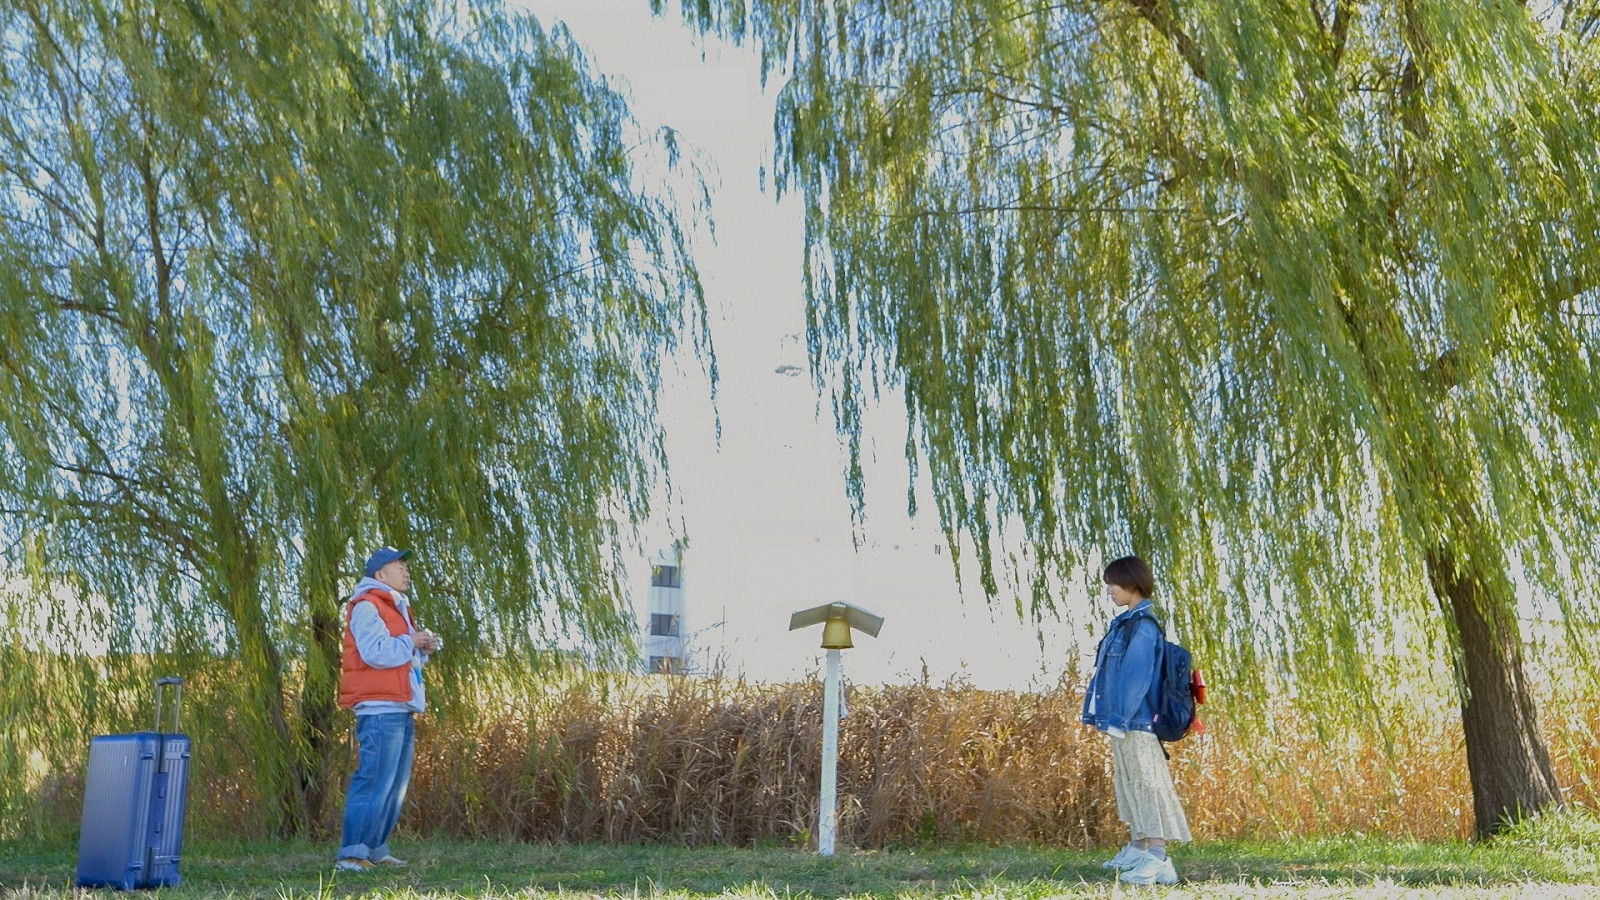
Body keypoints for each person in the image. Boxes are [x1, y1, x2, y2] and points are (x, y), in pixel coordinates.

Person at [1081, 554, 1191, 886]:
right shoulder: (1125, 623)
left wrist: (1118, 717)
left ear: (1132, 584)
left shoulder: (1142, 627)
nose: (1110, 590)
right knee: (1130, 783)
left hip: (1135, 721)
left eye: (1114, 584)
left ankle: (1158, 859)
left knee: (1148, 784)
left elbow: (1135, 677)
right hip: (1123, 721)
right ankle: (1140, 847)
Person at [334, 546, 443, 873]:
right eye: (399, 566)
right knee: (373, 780)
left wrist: (421, 647)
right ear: (380, 574)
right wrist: (412, 640)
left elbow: (403, 660)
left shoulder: (396, 607)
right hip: (379, 709)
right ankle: (352, 855)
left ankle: (374, 849)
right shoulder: (368, 606)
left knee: (394, 784)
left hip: (398, 704)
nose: (406, 571)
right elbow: (376, 654)